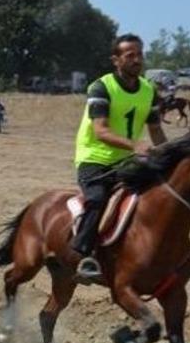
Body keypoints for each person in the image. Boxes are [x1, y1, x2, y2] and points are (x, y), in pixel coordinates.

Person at [72, 34, 167, 283]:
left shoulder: (149, 91)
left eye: (140, 54)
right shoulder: (101, 87)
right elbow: (101, 131)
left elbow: (156, 130)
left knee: (162, 194)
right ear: (116, 60)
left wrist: (169, 156)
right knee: (96, 198)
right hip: (95, 159)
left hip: (127, 160)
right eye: (130, 56)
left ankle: (166, 256)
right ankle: (84, 255)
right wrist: (136, 145)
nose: (137, 60)